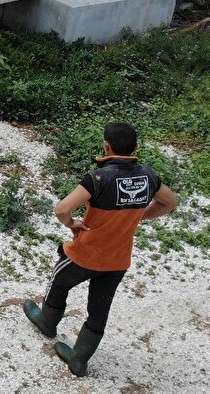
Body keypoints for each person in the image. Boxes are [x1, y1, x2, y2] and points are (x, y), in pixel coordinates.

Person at [23, 122, 178, 377]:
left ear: (106, 146)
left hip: (85, 255)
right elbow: (169, 202)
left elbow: (62, 209)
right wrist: (138, 216)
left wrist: (73, 224)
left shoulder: (98, 178)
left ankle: (47, 323)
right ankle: (79, 360)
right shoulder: (149, 176)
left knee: (59, 282)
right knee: (99, 310)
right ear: (136, 147)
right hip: (118, 260)